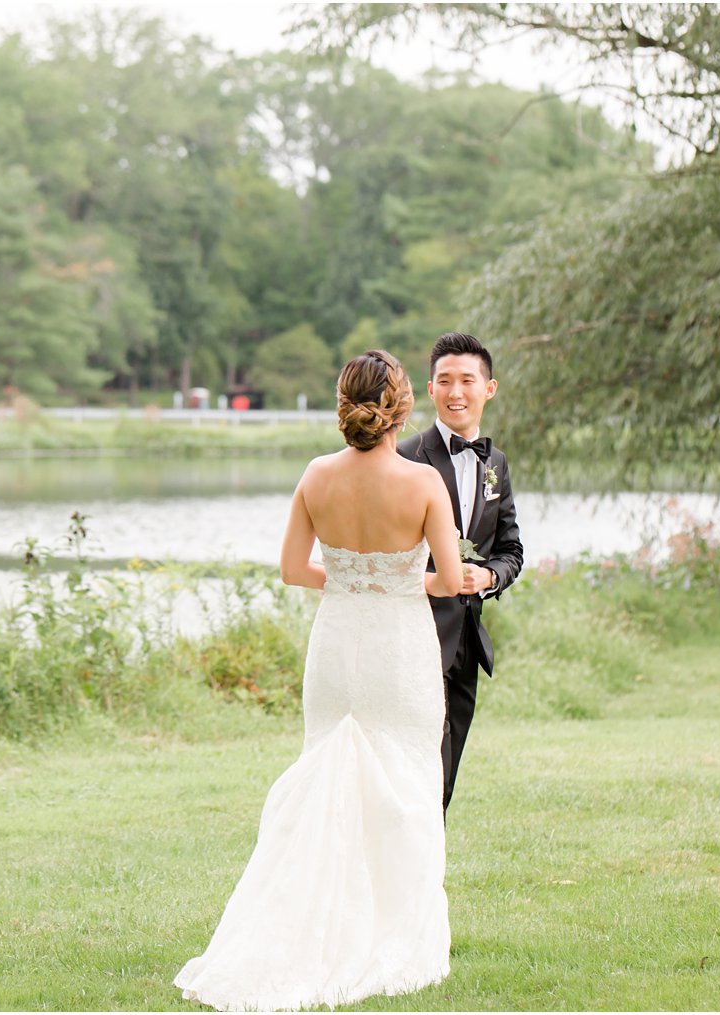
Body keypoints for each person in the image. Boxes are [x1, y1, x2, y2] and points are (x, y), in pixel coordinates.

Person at [175, 350, 462, 1012]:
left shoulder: (315, 475)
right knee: (405, 782)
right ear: (402, 406)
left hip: (336, 644)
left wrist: (356, 579)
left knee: (328, 773)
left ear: (344, 404)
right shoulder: (422, 484)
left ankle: (316, 924)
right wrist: (400, 579)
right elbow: (448, 582)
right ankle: (393, 935)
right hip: (396, 644)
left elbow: (293, 569)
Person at [397, 332, 524, 813]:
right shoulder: (405, 458)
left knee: (445, 779)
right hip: (414, 636)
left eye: (467, 381)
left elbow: (511, 549)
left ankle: (426, 878)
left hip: (466, 640)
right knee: (416, 768)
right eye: (445, 381)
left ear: (488, 389)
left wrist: (488, 577)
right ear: (430, 389)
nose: (456, 392)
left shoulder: (496, 464)